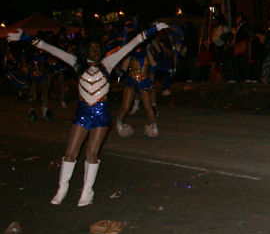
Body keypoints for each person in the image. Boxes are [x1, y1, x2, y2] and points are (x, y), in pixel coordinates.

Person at [7, 22, 167, 206]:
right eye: (91, 49)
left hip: (101, 115)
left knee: (91, 153)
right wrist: (26, 38)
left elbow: (131, 44)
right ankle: (62, 189)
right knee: (70, 153)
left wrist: (152, 30)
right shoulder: (76, 63)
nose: (95, 51)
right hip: (82, 114)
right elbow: (50, 49)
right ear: (85, 50)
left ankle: (87, 191)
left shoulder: (108, 62)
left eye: (98, 48)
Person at [116, 32, 160, 138]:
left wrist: (168, 69)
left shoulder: (146, 52)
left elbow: (155, 65)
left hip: (144, 81)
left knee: (148, 105)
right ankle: (119, 122)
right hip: (131, 82)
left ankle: (153, 125)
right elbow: (124, 69)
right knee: (126, 107)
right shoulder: (129, 54)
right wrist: (120, 73)